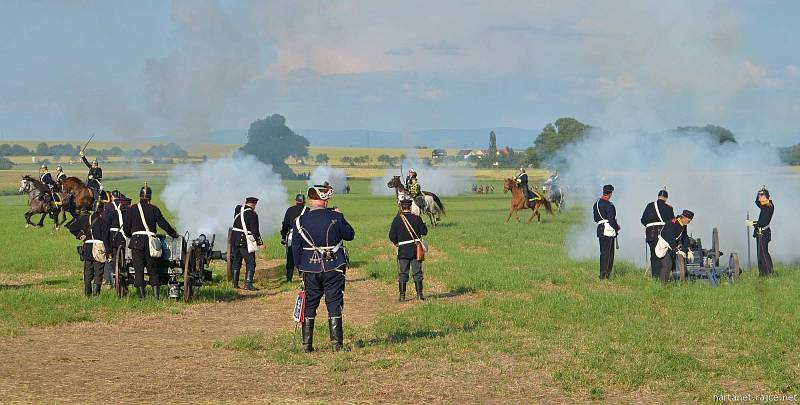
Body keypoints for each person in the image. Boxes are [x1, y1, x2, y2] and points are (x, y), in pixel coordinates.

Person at [292, 184, 355, 352]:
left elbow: (296, 250)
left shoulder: (299, 221)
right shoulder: (336, 217)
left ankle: (307, 345)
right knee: (334, 302)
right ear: (325, 199)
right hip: (334, 266)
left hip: (309, 268)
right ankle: (336, 345)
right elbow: (350, 235)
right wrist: (341, 217)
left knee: (310, 304)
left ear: (311, 199)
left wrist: (300, 268)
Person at [123, 184, 179, 299]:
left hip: (136, 243)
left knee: (138, 271)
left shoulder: (132, 209)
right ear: (150, 197)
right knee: (153, 270)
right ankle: (156, 297)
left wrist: (131, 236)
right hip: (150, 243)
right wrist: (174, 234)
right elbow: (163, 224)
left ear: (140, 196)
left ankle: (141, 298)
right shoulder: (154, 209)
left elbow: (126, 229)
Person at [389, 196, 428, 301]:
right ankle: (420, 295)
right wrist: (423, 224)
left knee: (403, 273)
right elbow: (424, 232)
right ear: (410, 207)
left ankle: (402, 296)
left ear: (401, 208)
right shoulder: (417, 218)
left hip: (403, 251)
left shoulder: (396, 220)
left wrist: (397, 243)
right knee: (417, 272)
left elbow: (392, 236)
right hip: (416, 250)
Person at [69, 208, 111, 297]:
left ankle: (87, 294)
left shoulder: (83, 219)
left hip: (87, 248)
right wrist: (109, 251)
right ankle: (96, 294)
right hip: (99, 248)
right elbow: (105, 239)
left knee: (88, 271)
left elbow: (72, 227)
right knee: (98, 272)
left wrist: (80, 235)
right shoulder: (103, 222)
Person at [230, 197, 264, 290]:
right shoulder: (252, 214)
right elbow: (255, 231)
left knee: (236, 261)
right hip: (244, 242)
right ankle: (248, 284)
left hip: (234, 240)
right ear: (254, 205)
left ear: (246, 202)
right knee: (251, 262)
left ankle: (234, 283)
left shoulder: (238, 210)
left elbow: (238, 207)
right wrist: (260, 243)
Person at [640, 189, 675, 278]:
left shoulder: (650, 205)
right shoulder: (669, 208)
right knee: (662, 255)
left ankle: (655, 277)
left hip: (650, 235)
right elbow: (671, 223)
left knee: (654, 255)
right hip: (662, 235)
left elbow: (643, 220)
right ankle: (662, 278)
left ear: (658, 196)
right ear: (666, 198)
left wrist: (649, 226)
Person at [656, 210, 694, 283]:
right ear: (683, 217)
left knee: (671, 264)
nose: (689, 222)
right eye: (688, 220)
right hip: (664, 245)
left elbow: (685, 237)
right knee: (667, 265)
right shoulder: (672, 224)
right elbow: (670, 238)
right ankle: (663, 285)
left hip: (671, 246)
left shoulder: (683, 225)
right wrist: (677, 250)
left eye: (690, 221)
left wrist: (689, 249)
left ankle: (668, 282)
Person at [103, 191, 130, 287]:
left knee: (112, 260)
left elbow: (105, 224)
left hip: (114, 239)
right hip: (126, 238)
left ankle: (111, 280)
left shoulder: (109, 208)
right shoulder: (128, 209)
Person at [593, 184, 620, 279]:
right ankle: (605, 275)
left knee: (603, 252)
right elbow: (611, 220)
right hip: (608, 231)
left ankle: (602, 273)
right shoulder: (609, 204)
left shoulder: (596, 203)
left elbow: (596, 219)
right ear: (610, 193)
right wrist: (617, 227)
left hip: (600, 229)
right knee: (609, 254)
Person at [280, 194, 308, 282]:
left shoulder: (290, 210)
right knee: (304, 256)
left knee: (290, 257)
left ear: (296, 201)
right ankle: (302, 277)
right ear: (304, 201)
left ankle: (289, 278)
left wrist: (283, 237)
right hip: (305, 236)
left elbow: (285, 225)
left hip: (292, 236)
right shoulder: (307, 210)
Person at [748, 187, 774, 276]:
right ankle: (762, 273)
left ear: (765, 197)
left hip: (763, 233)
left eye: (760, 196)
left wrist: (752, 223)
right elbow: (757, 202)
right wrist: (759, 192)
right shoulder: (765, 204)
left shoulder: (767, 208)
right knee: (761, 254)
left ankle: (768, 273)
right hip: (762, 233)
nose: (759, 198)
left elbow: (763, 223)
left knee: (763, 254)